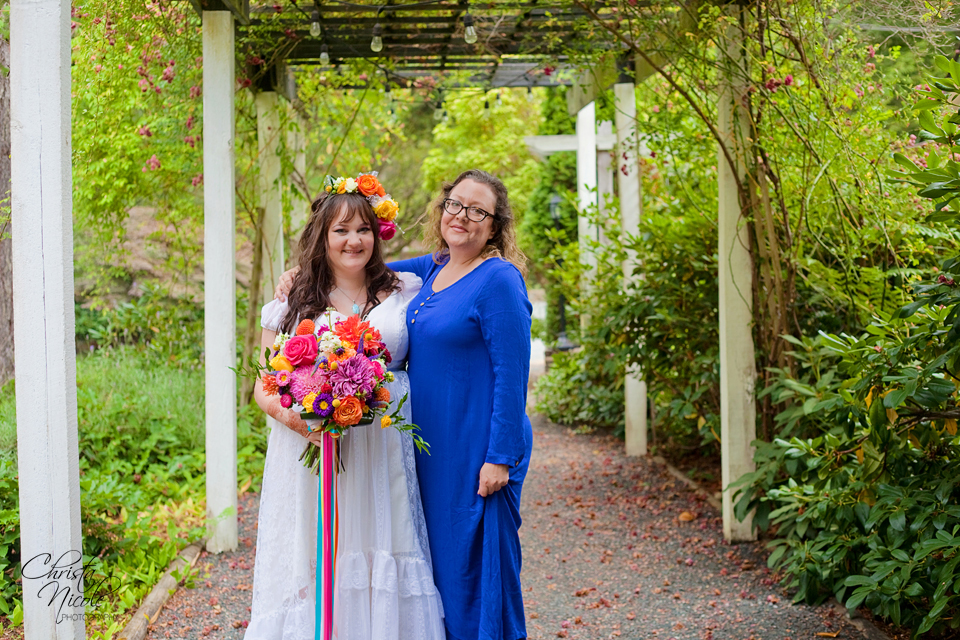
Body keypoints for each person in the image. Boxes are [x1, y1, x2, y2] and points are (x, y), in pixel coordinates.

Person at [276, 169, 533, 640]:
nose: (463, 216)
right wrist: (302, 271)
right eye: (456, 204)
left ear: (495, 226)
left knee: (480, 565)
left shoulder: (498, 279)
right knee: (442, 566)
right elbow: (363, 263)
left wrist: (500, 456)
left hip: (476, 444)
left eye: (478, 211)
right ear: (442, 209)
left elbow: (513, 375)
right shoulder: (435, 267)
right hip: (425, 446)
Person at [247, 175, 445, 640]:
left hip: (383, 445)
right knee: (319, 548)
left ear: (377, 235)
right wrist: (304, 423)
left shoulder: (405, 290)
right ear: (323, 236)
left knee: (385, 537)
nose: (353, 240)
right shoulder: (292, 300)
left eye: (363, 230)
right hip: (315, 446)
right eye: (341, 230)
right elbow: (263, 386)